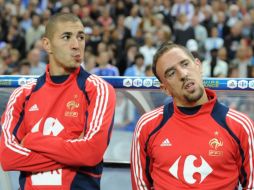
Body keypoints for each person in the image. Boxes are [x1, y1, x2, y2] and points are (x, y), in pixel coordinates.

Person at [0, 13, 116, 190]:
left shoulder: (98, 89)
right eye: (66, 37)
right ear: (47, 44)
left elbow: (91, 151)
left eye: (81, 37)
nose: (76, 45)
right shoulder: (23, 94)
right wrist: (73, 154)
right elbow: (7, 157)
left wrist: (33, 140)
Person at [131, 41, 254, 190]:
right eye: (171, 73)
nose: (183, 74)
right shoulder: (147, 126)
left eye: (185, 64)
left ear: (198, 65)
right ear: (165, 89)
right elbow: (141, 186)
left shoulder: (240, 126)